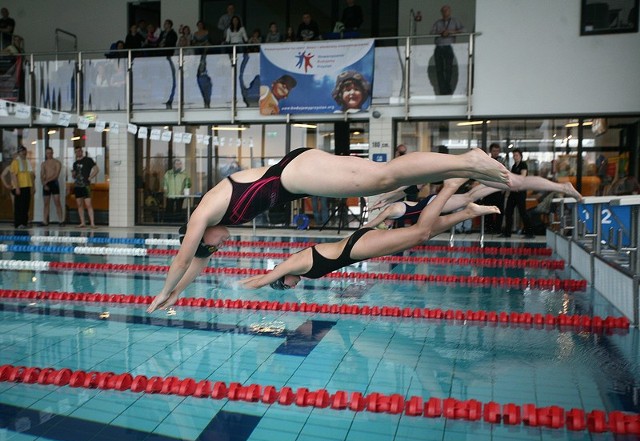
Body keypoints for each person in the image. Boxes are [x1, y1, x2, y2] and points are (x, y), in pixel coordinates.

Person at [146, 147, 511, 313]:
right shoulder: (216, 224)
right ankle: (460, 170)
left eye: (212, 247)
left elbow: (183, 259)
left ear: (198, 236)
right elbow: (196, 264)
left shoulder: (201, 215)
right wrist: (178, 295)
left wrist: (163, 292)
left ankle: (467, 162)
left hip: (292, 173)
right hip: (297, 181)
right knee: (376, 181)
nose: (219, 246)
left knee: (380, 176)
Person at [239, 178, 499, 290]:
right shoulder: (298, 268)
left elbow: (264, 279)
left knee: (419, 233)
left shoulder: (293, 263)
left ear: (285, 278)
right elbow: (267, 278)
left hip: (356, 248)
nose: (291, 287)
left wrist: (242, 287)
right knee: (422, 235)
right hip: (356, 244)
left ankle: (448, 188)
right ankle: (468, 213)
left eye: (286, 286)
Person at [366, 173, 581, 230]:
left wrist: (357, 233)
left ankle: (561, 187)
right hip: (433, 202)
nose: (386, 225)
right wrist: (382, 199)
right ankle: (560, 187)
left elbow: (370, 224)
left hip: (435, 203)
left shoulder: (391, 211)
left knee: (473, 195)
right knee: (510, 184)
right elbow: (402, 187)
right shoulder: (394, 207)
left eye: (385, 225)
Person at [430, 5, 464, 95]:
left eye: (447, 10)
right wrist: (441, 33)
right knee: (439, 69)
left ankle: (448, 88)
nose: (445, 12)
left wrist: (450, 32)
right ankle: (442, 90)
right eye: (443, 11)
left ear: (450, 11)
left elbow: (463, 30)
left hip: (449, 46)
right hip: (439, 47)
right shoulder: (438, 22)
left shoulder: (455, 21)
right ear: (441, 12)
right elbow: (432, 33)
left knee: (448, 68)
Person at [501, 149, 532, 238]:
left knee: (522, 212)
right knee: (508, 212)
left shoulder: (523, 164)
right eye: (514, 155)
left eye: (517, 155)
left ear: (520, 156)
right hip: (513, 192)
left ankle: (529, 233)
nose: (515, 157)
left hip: (520, 192)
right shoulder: (514, 166)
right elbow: (511, 179)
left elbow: (522, 176)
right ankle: (507, 233)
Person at [72, 147, 99, 228]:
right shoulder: (75, 163)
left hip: (86, 185)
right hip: (77, 185)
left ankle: (92, 223)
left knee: (88, 204)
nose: (78, 153)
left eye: (79, 151)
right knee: (79, 204)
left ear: (82, 151)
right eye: (76, 152)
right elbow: (74, 175)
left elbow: (96, 169)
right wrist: (73, 175)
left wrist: (90, 177)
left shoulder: (88, 160)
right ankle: (82, 222)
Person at [482, 143, 506, 233]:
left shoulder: (502, 161)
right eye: (494, 151)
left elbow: (505, 174)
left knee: (499, 210)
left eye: (497, 151)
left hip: (499, 189)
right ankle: (489, 228)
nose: (496, 152)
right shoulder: (487, 161)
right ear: (491, 151)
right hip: (488, 188)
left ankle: (498, 228)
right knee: (488, 209)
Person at [9, 146, 34, 229]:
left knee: (26, 205)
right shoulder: (15, 162)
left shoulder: (27, 162)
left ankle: (24, 223)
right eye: (22, 152)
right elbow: (13, 175)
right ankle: (18, 223)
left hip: (27, 186)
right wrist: (17, 187)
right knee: (19, 206)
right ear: (19, 153)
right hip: (20, 186)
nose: (24, 153)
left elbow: (31, 175)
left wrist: (32, 186)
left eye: (25, 152)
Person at [40, 146, 64, 226]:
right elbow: (41, 175)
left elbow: (56, 175)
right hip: (46, 184)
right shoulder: (44, 164)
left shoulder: (57, 163)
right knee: (46, 203)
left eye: (50, 153)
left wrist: (46, 181)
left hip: (54, 183)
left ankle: (61, 220)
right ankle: (45, 221)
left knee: (57, 202)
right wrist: (44, 183)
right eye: (47, 153)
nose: (49, 155)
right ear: (46, 154)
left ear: (52, 153)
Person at [158, 19, 178, 108]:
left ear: (170, 25)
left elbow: (171, 43)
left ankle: (170, 99)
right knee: (163, 77)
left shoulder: (173, 34)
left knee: (171, 76)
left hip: (169, 55)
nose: (164, 25)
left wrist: (164, 45)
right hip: (161, 55)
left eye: (166, 24)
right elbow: (158, 41)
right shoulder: (162, 33)